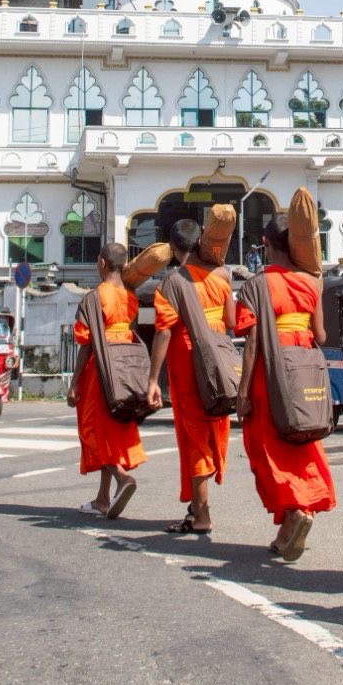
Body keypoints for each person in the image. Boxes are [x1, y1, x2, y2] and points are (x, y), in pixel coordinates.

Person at [236, 220, 336, 560]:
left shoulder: (256, 285)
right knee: (304, 439)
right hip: (305, 366)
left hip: (271, 369)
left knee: (267, 446)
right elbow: (321, 335)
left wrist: (243, 391)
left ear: (266, 242)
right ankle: (289, 527)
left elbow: (252, 341)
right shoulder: (311, 282)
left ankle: (295, 509)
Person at [146, 219, 233, 535]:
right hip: (219, 356)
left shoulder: (174, 280)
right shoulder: (223, 275)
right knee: (214, 428)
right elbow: (231, 320)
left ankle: (202, 515)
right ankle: (197, 507)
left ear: (173, 249)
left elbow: (164, 331)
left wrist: (153, 379)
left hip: (188, 358)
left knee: (194, 435)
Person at [70, 244, 144, 518]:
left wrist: (74, 381)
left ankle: (122, 477)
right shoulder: (130, 296)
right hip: (124, 366)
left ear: (102, 262)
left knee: (91, 430)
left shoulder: (94, 297)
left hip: (100, 369)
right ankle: (102, 498)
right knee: (110, 431)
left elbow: (86, 343)